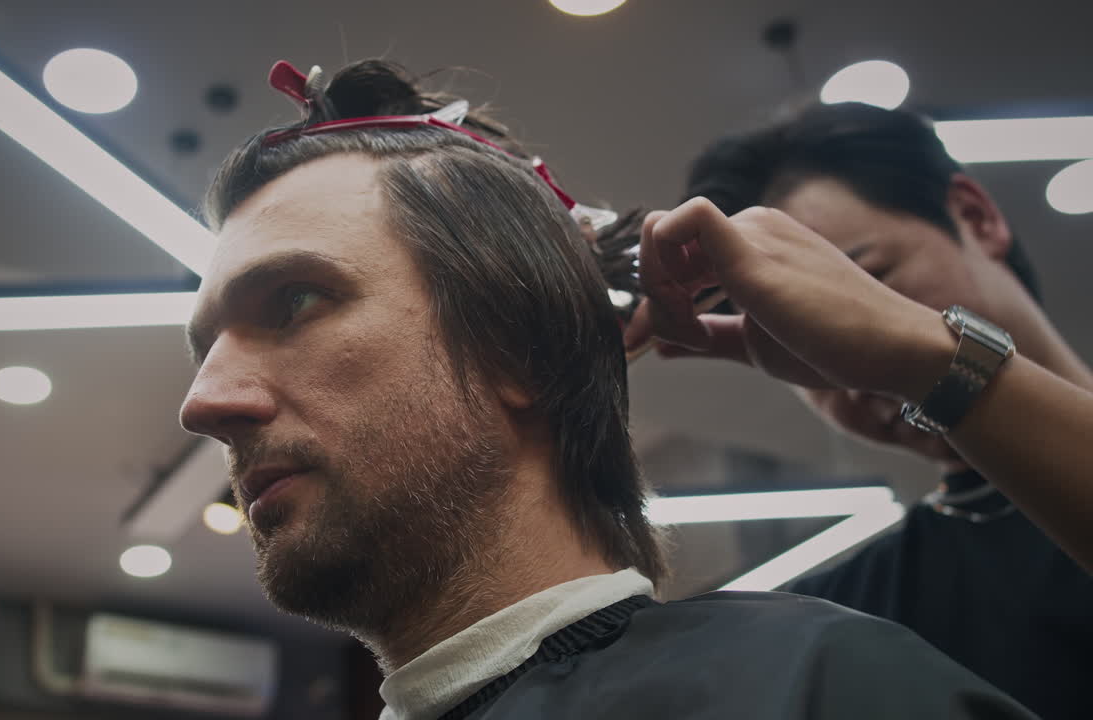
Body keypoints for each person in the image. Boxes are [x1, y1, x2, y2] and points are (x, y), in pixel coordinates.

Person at [179, 60, 1036, 719]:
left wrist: (949, 369)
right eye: (204, 345)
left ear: (520, 346)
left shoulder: (814, 688)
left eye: (293, 302)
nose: (204, 401)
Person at [631, 101, 1093, 720]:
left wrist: (933, 362)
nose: (846, 359)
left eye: (867, 282)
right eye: (801, 333)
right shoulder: (847, 616)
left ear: (976, 218)